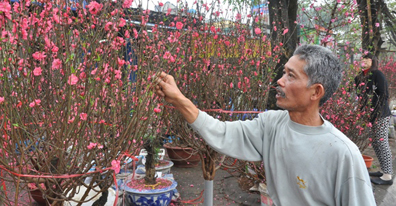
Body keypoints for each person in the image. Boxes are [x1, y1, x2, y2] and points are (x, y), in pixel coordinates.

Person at [155, 44, 375, 206]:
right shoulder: (272, 125)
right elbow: (222, 133)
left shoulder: (343, 154)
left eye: (290, 75)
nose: (280, 81)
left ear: (316, 92)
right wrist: (179, 100)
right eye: (283, 72)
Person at [355, 53, 393, 185]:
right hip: (369, 115)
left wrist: (376, 111)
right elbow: (355, 91)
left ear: (373, 61)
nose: (364, 61)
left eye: (367, 59)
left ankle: (387, 176)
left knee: (382, 142)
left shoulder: (378, 74)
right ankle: (383, 171)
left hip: (381, 114)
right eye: (362, 59)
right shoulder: (361, 76)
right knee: (375, 143)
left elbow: (384, 94)